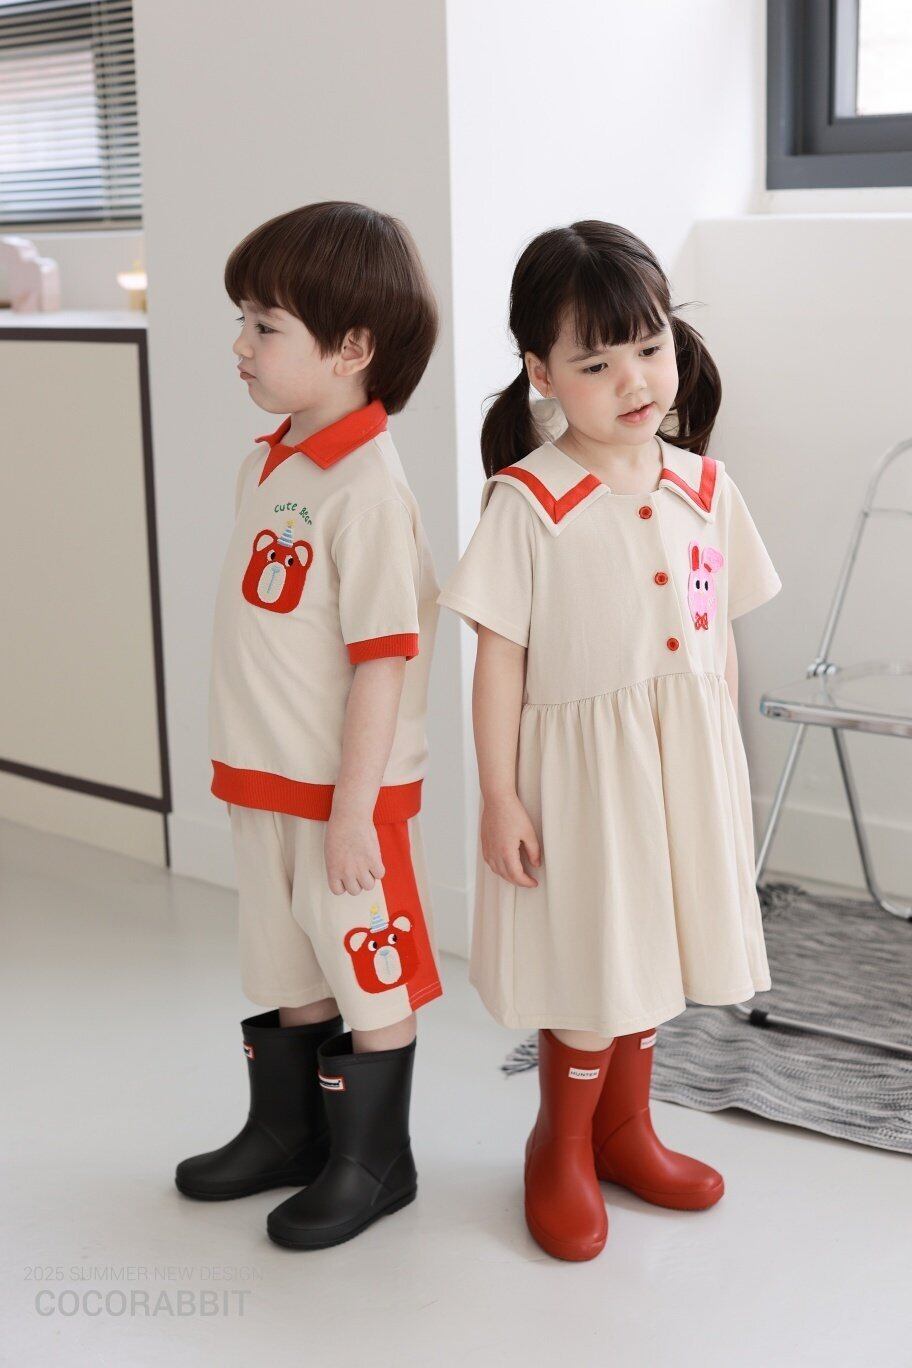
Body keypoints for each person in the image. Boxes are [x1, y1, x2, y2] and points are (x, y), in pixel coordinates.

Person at [437, 220, 782, 1262]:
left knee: (654, 950)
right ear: (542, 374)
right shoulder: (528, 502)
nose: (633, 380)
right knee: (594, 960)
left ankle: (628, 1132)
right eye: (595, 363)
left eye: (648, 347)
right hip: (584, 783)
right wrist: (500, 795)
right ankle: (562, 1144)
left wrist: (726, 761)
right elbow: (498, 663)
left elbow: (719, 639)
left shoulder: (707, 488)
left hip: (685, 768)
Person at [175, 201, 444, 1251]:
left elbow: (383, 661)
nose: (240, 345)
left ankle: (375, 1162)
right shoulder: (271, 461)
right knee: (286, 962)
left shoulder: (367, 492)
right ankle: (290, 1134)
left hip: (343, 798)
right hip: (265, 776)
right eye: (242, 321)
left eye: (265, 325)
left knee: (366, 968)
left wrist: (355, 812)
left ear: (352, 348)